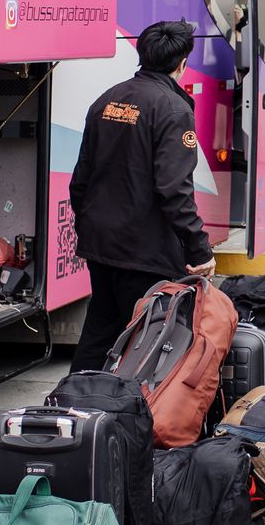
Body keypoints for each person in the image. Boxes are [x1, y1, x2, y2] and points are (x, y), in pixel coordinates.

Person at [68, 20, 214, 370]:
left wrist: (90, 227)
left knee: (100, 332)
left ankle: (74, 404)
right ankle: (131, 416)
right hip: (143, 251)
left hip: (101, 244)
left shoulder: (108, 99)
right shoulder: (173, 109)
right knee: (146, 343)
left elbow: (81, 180)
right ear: (182, 63)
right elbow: (175, 190)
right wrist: (199, 248)